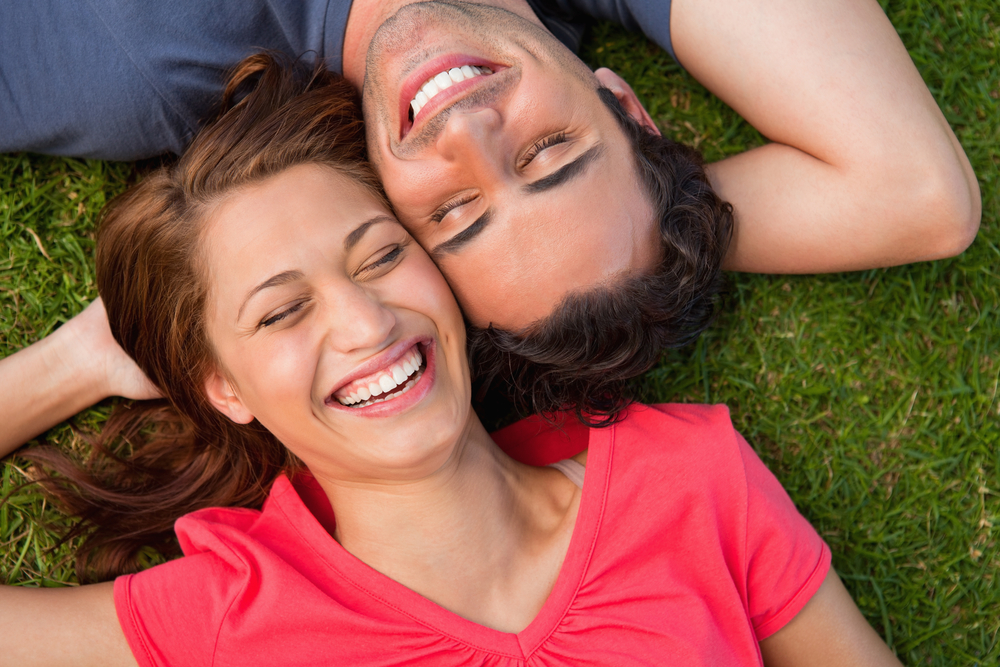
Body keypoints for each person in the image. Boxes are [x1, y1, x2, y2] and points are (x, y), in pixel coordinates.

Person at [0, 55, 905, 667]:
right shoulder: (229, 615)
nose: (365, 321)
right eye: (281, 311)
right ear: (225, 387)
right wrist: (80, 362)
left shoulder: (690, 477)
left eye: (381, 257)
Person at [0, 0, 981, 412]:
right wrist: (655, 223)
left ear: (386, 215)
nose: (467, 130)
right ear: (623, 105)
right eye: (553, 151)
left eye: (455, 213)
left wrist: (77, 364)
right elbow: (919, 194)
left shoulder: (132, 71)